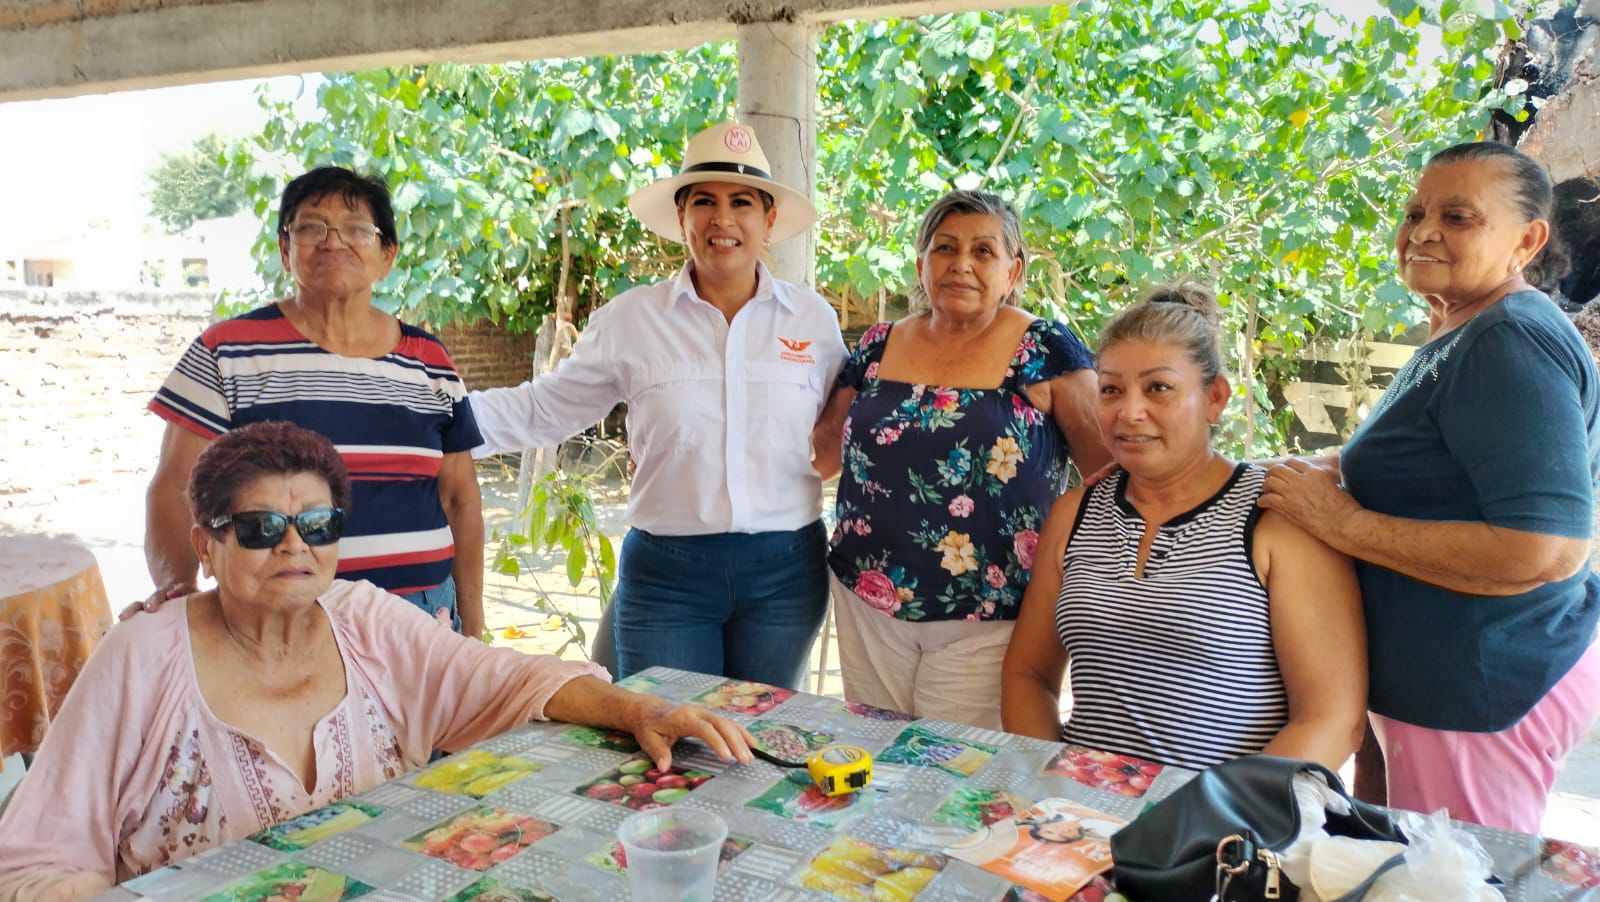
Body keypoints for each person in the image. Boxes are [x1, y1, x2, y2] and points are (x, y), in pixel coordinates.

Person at [0, 422, 752, 899]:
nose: (295, 546)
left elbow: (505, 679)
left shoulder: (365, 619)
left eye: (317, 524)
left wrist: (639, 709)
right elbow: (35, 858)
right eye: (262, 526)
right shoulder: (142, 658)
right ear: (208, 543)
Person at [1259, 141, 1600, 832]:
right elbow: (1424, 471)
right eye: (1414, 212)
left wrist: (1340, 524)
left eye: (1458, 216)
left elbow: (1544, 549)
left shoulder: (1510, 340)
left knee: (1458, 879)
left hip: (1482, 684)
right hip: (1448, 687)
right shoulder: (1464, 328)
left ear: (1527, 240)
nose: (1422, 231)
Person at [468, 122, 845, 687]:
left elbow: (849, 424)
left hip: (786, 573)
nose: (722, 219)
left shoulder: (813, 320)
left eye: (742, 202)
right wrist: (435, 417)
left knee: (763, 740)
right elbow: (546, 410)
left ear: (768, 221)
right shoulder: (633, 320)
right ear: (681, 219)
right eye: (704, 203)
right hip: (670, 575)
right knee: (668, 741)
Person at [1000, 283, 1367, 771]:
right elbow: (1028, 675)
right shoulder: (1075, 513)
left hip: (1225, 831)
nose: (1129, 412)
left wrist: (1206, 819)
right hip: (1081, 817)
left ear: (1215, 398)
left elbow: (1333, 719)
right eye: (1110, 389)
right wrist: (1052, 782)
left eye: (1159, 388)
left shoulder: (1278, 516)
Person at [810, 190, 1111, 729]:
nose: (962, 264)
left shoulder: (1044, 348)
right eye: (944, 248)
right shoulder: (878, 346)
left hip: (990, 615)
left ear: (1014, 268)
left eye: (983, 251)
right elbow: (824, 451)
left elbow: (1105, 475)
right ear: (921, 263)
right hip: (867, 600)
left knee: (956, 776)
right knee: (877, 762)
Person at [144, 166, 485, 637]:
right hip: (282, 618)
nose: (332, 241)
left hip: (424, 617)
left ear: (387, 257)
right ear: (286, 251)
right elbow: (175, 486)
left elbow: (461, 500)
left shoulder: (430, 360)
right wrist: (178, 590)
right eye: (310, 227)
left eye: (356, 229)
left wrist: (474, 624)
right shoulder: (226, 352)